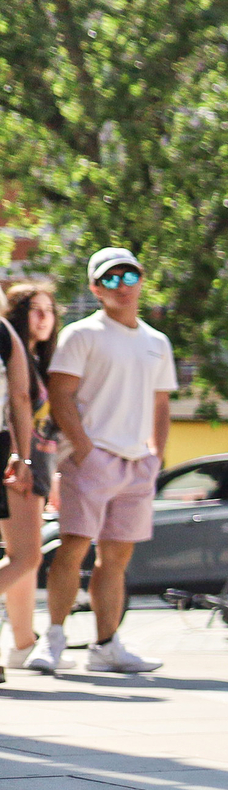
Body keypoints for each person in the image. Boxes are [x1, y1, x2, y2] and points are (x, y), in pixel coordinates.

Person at [28, 249, 176, 675]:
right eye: (109, 279)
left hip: (137, 464)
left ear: (141, 279)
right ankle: (53, 640)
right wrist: (86, 449)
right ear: (95, 289)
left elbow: (161, 404)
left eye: (128, 276)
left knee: (117, 558)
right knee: (73, 546)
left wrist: (155, 455)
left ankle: (106, 645)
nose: (121, 286)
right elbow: (60, 395)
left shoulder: (156, 342)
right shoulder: (82, 334)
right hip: (90, 459)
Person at [0, 280, 56, 668]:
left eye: (49, 310)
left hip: (29, 463)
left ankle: (22, 643)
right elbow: (18, 400)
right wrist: (22, 456)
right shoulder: (8, 341)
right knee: (27, 556)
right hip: (16, 463)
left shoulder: (37, 360)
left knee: (23, 557)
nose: (44, 318)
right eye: (35, 309)